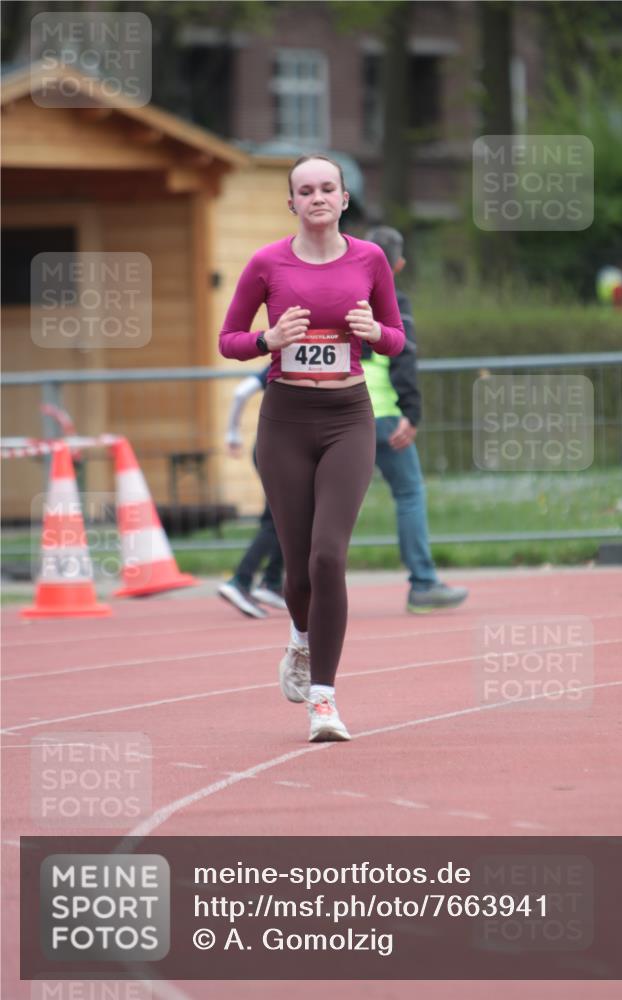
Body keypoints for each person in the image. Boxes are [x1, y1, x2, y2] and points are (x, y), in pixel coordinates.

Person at [218, 154, 405, 742]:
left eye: (329, 188)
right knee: (296, 567)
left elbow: (397, 338)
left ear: (345, 199)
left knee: (329, 557)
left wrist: (377, 335)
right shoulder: (266, 262)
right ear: (292, 203)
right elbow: (228, 340)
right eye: (306, 189)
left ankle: (323, 699)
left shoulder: (370, 260)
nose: (318, 197)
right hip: (286, 420)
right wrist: (267, 339)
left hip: (348, 416)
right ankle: (299, 638)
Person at [362, 226, 469, 613]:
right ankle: (423, 584)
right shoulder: (395, 301)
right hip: (384, 415)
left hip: (339, 414)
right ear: (399, 264)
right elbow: (403, 359)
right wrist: (413, 413)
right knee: (408, 494)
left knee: (327, 505)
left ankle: (304, 587)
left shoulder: (337, 296)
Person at [217, 364, 287, 619]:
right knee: (278, 519)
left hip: (271, 447)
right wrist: (232, 433)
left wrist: (233, 433)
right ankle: (241, 580)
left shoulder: (285, 358)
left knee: (290, 517)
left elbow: (241, 392)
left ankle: (271, 582)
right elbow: (240, 392)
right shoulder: (290, 359)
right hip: (282, 450)